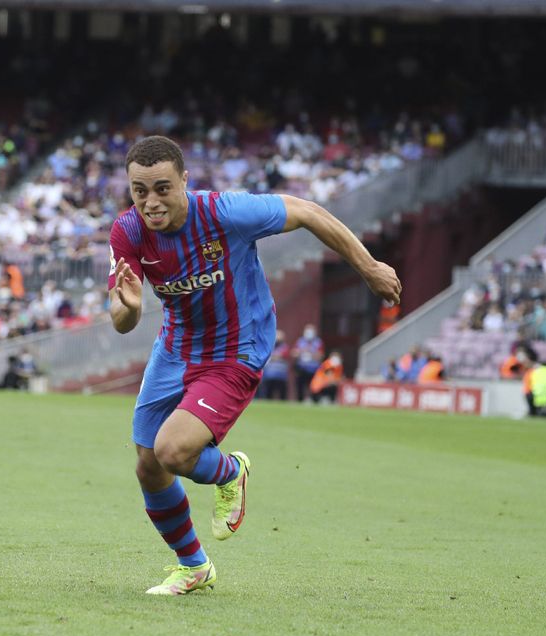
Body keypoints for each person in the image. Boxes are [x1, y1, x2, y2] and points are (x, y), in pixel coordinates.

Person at [108, 136, 401, 595]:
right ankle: (194, 566)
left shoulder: (226, 213)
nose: (151, 201)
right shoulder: (126, 232)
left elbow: (307, 211)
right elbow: (123, 322)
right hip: (175, 350)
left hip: (236, 348)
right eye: (139, 190)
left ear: (185, 181)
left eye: (163, 188)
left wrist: (368, 268)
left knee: (173, 452)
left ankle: (231, 472)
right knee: (148, 465)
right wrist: (127, 306)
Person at [292, 324, 323, 401]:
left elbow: (320, 355)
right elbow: (294, 353)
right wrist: (302, 352)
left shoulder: (318, 342)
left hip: (313, 369)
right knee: (300, 387)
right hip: (302, 368)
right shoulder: (300, 341)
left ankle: (314, 401)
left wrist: (311, 353)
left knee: (314, 387)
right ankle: (300, 401)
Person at [259, 332, 290, 400]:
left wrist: (273, 357)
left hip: (281, 375)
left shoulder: (284, 347)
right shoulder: (269, 346)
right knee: (268, 394)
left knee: (282, 394)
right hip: (269, 375)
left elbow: (284, 355)